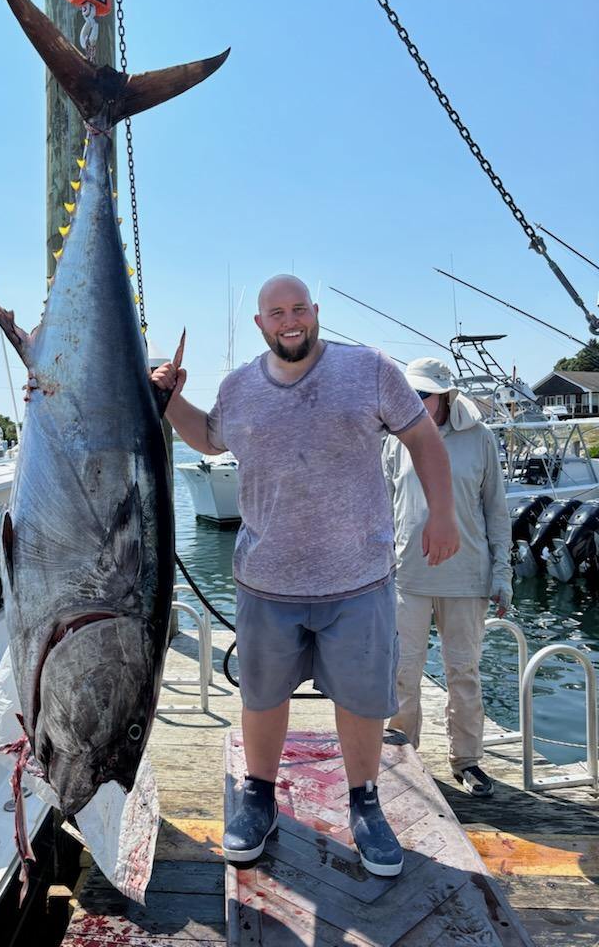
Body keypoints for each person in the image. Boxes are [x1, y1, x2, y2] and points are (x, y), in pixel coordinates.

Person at [151, 276, 459, 876]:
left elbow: (422, 436)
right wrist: (169, 401)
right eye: (276, 313)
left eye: (298, 310)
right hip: (267, 583)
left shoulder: (369, 369)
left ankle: (366, 803)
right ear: (262, 324)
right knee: (263, 698)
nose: (289, 321)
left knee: (363, 701)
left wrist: (443, 513)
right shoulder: (238, 386)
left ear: (315, 314)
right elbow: (210, 441)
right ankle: (258, 797)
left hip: (359, 580)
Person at [383, 358, 513, 798]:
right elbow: (383, 510)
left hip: (466, 577)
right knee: (402, 671)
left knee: (464, 672)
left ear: (445, 396)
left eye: (422, 395)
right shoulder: (394, 441)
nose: (414, 403)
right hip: (407, 576)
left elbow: (497, 510)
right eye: (409, 395)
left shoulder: (480, 439)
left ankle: (468, 760)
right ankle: (404, 753)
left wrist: (503, 574)